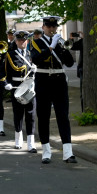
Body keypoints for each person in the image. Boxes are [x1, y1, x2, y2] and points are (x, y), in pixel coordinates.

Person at [30, 16, 75, 163]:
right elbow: (36, 59)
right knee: (43, 116)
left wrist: (62, 48)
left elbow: (69, 63)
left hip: (59, 80)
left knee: (63, 115)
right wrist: (50, 47)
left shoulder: (60, 44)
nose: (51, 29)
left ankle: (68, 152)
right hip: (43, 80)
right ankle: (46, 151)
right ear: (43, 27)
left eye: (54, 27)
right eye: (48, 26)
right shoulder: (35, 42)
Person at [4, 31, 38, 152]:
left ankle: (31, 144)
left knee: (31, 115)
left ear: (27, 41)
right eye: (19, 40)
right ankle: (18, 140)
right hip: (17, 88)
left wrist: (35, 70)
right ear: (16, 41)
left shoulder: (30, 54)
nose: (22, 42)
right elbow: (3, 73)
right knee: (18, 115)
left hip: (29, 87)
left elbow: (31, 72)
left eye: (24, 40)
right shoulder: (10, 55)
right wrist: (6, 83)